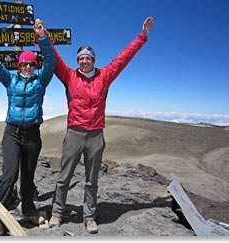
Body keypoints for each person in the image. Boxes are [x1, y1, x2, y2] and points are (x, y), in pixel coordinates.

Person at [40, 17, 155, 234]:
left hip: (95, 135)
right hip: (74, 132)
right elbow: (52, 57)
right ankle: (57, 213)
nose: (84, 61)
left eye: (88, 58)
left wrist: (142, 37)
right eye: (81, 58)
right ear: (78, 61)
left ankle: (89, 217)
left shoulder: (105, 76)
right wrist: (43, 37)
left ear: (93, 60)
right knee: (64, 176)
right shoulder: (69, 76)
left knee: (91, 179)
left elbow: (123, 58)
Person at [0, 20, 56, 235]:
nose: (27, 67)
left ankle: (28, 209)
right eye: (24, 64)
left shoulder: (41, 81)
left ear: (35, 66)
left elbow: (51, 62)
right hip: (12, 132)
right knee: (9, 174)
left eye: (31, 64)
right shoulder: (10, 80)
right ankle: (0, 214)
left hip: (32, 134)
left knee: (28, 175)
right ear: (19, 65)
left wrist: (42, 37)